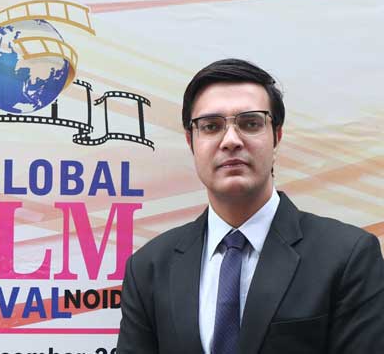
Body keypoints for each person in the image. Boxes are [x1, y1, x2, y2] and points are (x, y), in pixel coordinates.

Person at [116, 59, 384, 353]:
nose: (231, 140)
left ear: (277, 137)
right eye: (211, 126)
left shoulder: (347, 256)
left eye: (250, 123)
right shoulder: (149, 268)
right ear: (191, 141)